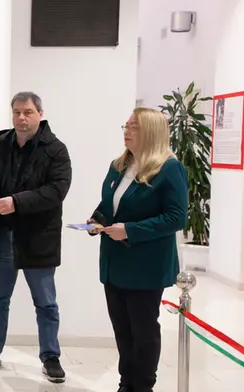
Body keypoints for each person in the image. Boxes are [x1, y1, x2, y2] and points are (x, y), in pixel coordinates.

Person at [0, 92, 71, 383]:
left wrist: (16, 202)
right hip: (2, 237)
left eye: (28, 112)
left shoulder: (55, 149)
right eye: (17, 112)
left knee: (46, 303)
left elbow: (56, 190)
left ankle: (51, 356)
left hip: (38, 239)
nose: (22, 117)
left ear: (40, 113)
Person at [88, 108, 187, 392]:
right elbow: (110, 205)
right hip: (114, 262)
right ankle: (126, 383)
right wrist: (97, 219)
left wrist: (130, 230)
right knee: (122, 330)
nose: (126, 130)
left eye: (134, 126)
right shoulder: (119, 165)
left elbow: (175, 217)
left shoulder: (169, 168)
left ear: (151, 132)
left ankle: (142, 386)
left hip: (146, 266)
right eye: (126, 125)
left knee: (143, 331)